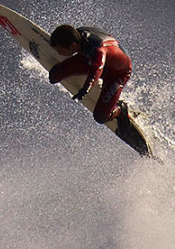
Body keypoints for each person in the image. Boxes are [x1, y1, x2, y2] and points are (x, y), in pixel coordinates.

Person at [47, 23, 150, 156]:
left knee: (101, 117)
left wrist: (87, 87)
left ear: (72, 46)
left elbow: (98, 67)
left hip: (117, 73)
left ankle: (121, 109)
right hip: (93, 60)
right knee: (55, 74)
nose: (58, 53)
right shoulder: (79, 35)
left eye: (59, 50)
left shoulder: (98, 51)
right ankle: (67, 70)